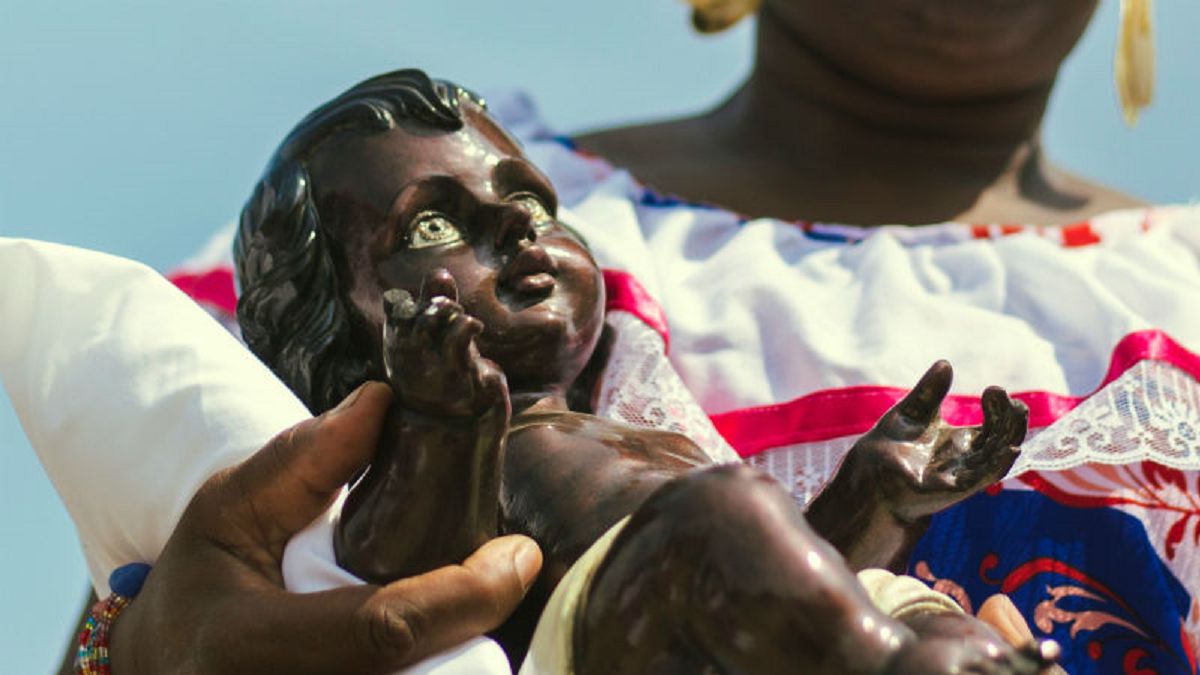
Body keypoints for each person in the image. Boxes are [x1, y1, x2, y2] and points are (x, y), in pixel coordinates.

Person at [231, 69, 1053, 674]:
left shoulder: (630, 433)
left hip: (755, 638)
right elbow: (394, 567)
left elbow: (784, 593)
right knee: (725, 510)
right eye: (435, 224)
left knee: (939, 628)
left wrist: (873, 497)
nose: (519, 228)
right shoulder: (426, 457)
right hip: (605, 640)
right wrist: (440, 421)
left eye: (534, 203)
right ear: (335, 333)